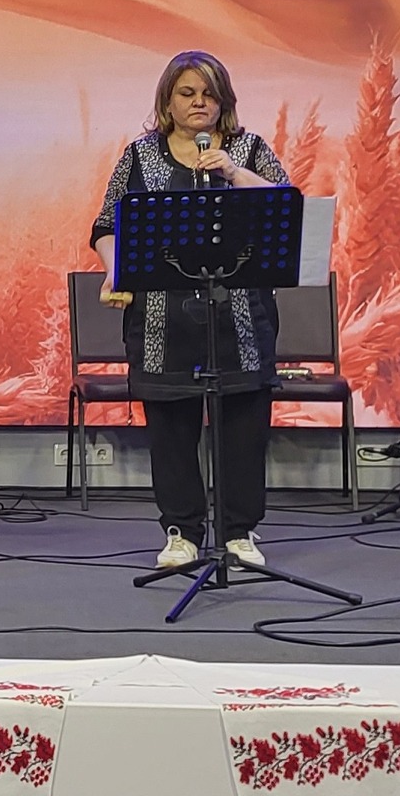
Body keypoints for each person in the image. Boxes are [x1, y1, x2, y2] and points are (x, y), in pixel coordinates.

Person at [91, 51, 289, 573]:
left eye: (208, 93)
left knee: (243, 427)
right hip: (163, 321)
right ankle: (182, 532)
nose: (199, 102)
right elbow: (107, 225)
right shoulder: (140, 156)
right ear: (167, 101)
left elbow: (285, 204)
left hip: (240, 318)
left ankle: (239, 533)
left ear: (223, 100)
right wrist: (116, 270)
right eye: (187, 93)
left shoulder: (249, 149)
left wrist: (233, 172)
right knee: (172, 429)